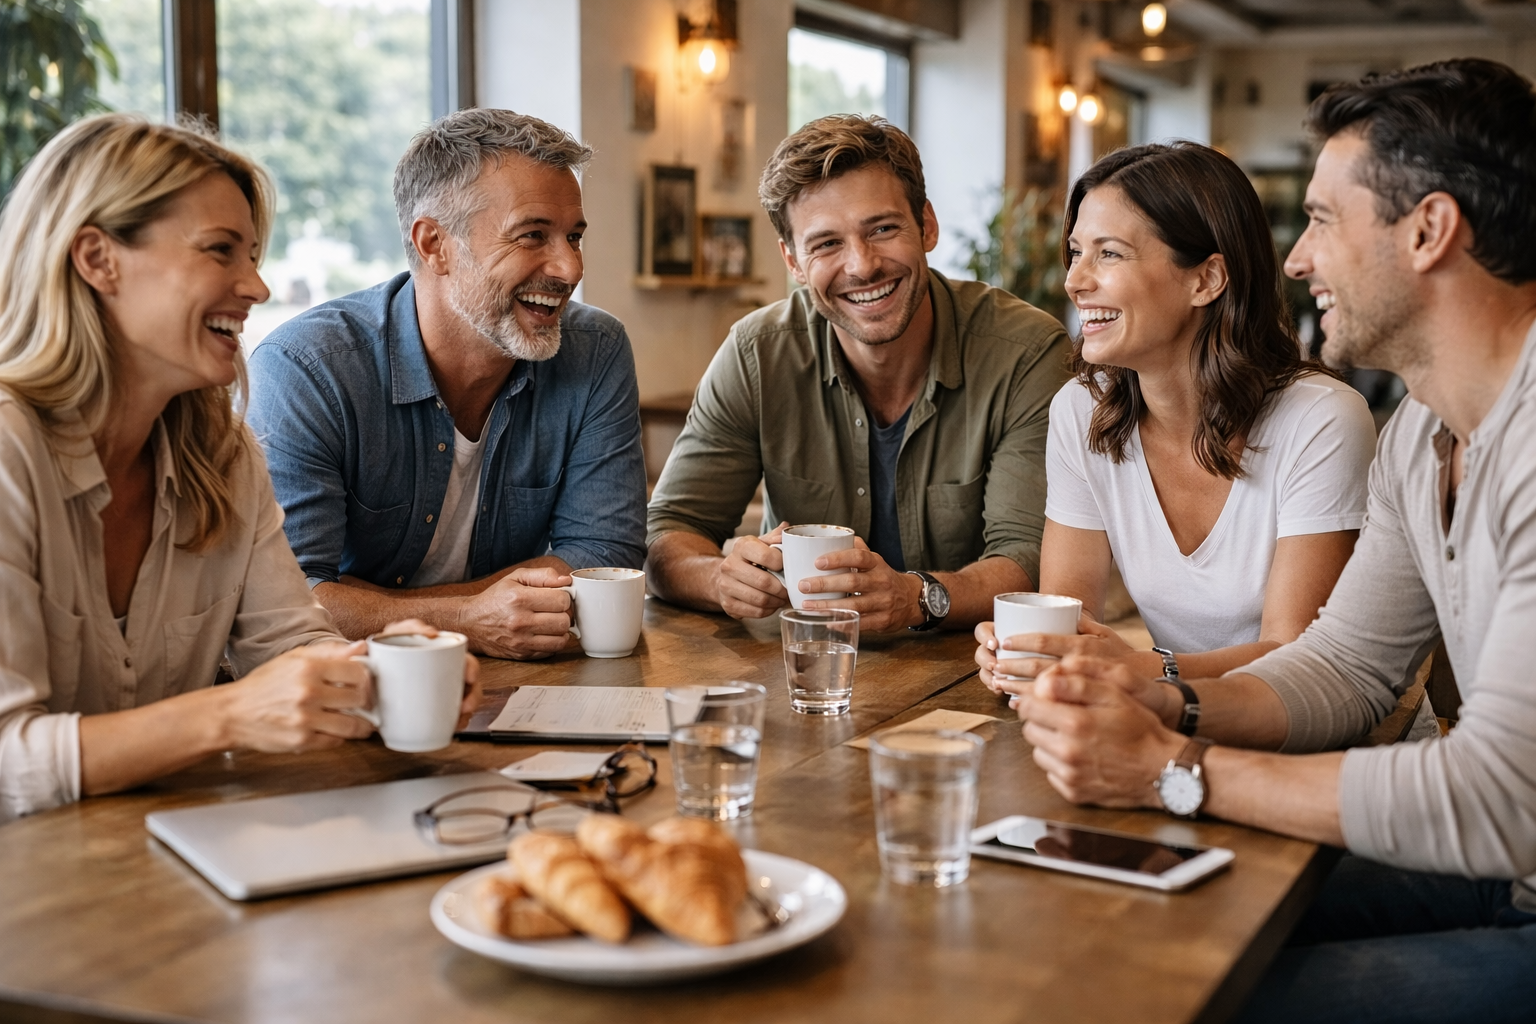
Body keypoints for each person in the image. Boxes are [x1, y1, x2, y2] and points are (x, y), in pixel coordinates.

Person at [1011, 59, 1536, 1021]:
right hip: (1497, 870)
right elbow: (1346, 668)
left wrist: (1173, 771)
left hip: (1504, 851)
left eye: (1324, 221)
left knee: (1193, 1001)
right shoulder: (1421, 431)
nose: (1294, 260)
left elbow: (1502, 798)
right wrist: (1163, 697)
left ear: (1429, 231)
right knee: (1110, 936)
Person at [0, 115, 473, 821]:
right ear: (98, 259)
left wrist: (384, 671)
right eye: (220, 250)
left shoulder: (221, 454)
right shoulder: (10, 450)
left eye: (251, 255)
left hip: (170, 851)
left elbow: (288, 646)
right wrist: (227, 715)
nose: (256, 286)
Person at [974, 142, 1379, 699]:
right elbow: (1067, 617)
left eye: (1109, 254)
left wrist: (1142, 669)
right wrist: (1032, 656)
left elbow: (1296, 657)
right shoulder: (1081, 410)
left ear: (1206, 279)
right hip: (1172, 722)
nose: (1074, 280)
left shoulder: (1321, 420)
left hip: (1337, 734)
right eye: (1076, 252)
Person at [247, 109, 647, 661]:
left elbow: (605, 555)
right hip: (356, 683)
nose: (570, 268)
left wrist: (378, 606)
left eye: (573, 237)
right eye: (533, 235)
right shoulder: (307, 369)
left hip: (526, 675)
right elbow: (290, 602)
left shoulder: (595, 349)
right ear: (434, 244)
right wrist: (465, 619)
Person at [646, 115, 1071, 632]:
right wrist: (720, 579)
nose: (862, 265)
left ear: (926, 225)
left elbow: (1031, 559)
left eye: (883, 229)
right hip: (802, 660)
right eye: (826, 244)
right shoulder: (757, 353)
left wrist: (917, 597)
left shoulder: (1025, 353)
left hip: (977, 663)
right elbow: (668, 531)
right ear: (792, 261)